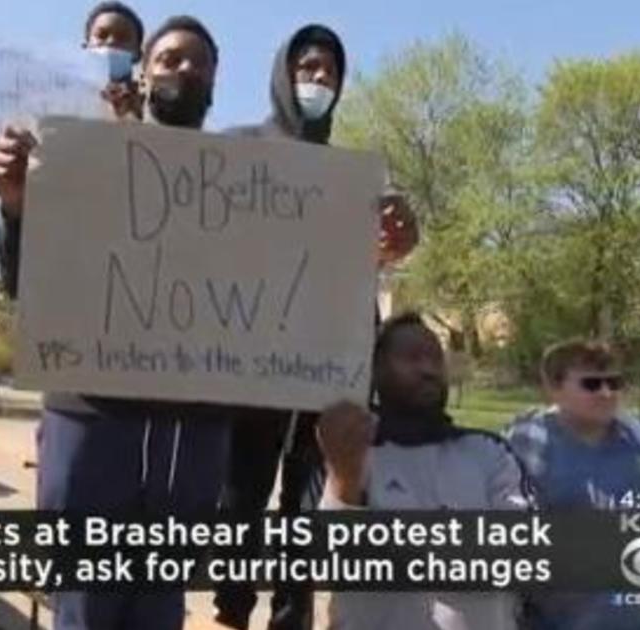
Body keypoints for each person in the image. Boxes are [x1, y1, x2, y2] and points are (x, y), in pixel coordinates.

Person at [0, 15, 225, 630]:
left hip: (186, 437)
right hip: (90, 424)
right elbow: (26, 285)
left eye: (199, 61)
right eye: (170, 58)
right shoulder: (78, 156)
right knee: (84, 606)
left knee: (161, 607)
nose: (184, 69)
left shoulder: (242, 186)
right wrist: (16, 205)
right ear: (144, 73)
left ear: (216, 82)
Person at [213, 23, 348, 630]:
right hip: (248, 374)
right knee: (239, 502)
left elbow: (361, 266)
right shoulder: (237, 148)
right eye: (308, 68)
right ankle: (230, 612)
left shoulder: (350, 177)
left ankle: (291, 618)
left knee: (306, 511)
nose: (318, 81)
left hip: (322, 377)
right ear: (283, 75)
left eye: (330, 73)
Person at [316, 313, 532, 630]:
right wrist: (344, 477)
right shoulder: (353, 451)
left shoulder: (489, 452)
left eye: (435, 358)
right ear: (375, 371)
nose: (428, 370)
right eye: (411, 358)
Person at [0, 2, 147, 296]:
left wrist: (133, 126)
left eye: (122, 38)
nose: (109, 44)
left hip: (129, 283)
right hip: (50, 273)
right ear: (85, 46)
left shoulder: (156, 112)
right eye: (101, 36)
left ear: (138, 56)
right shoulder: (49, 99)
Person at [506, 339, 640, 630]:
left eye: (615, 383)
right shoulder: (523, 445)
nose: (607, 393)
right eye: (591, 385)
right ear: (554, 389)